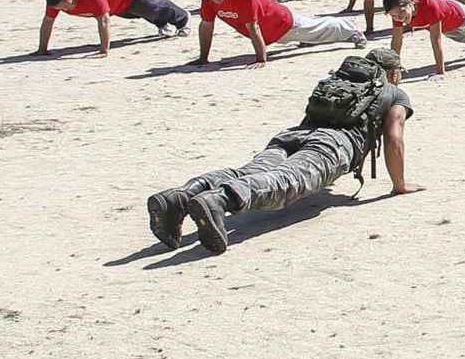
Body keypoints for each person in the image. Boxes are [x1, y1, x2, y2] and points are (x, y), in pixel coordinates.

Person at [146, 48, 422, 255]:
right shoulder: (394, 92)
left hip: (294, 134)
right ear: (393, 73)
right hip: (333, 144)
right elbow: (394, 136)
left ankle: (182, 195)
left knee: (249, 171)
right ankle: (220, 200)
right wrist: (399, 184)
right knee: (287, 180)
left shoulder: (339, 80)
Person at [195, 0, 364, 67]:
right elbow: (206, 26)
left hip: (282, 23)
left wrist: (261, 59)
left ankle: (351, 28)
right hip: (268, 35)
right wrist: (203, 57)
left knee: (318, 29)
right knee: (311, 35)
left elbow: (253, 27)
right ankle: (309, 39)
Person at [37, 0, 190, 57]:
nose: (61, 10)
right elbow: (48, 21)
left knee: (151, 8)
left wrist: (104, 50)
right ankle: (162, 23)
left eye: (63, 7)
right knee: (136, 14)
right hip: (114, 4)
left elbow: (104, 20)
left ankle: (183, 18)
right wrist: (42, 49)